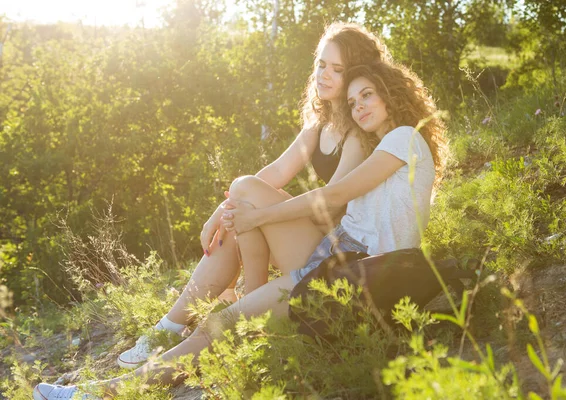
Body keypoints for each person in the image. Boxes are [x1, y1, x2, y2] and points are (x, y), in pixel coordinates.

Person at [34, 59, 448, 399]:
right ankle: (108, 389)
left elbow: (335, 194)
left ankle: (103, 394)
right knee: (241, 222)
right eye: (353, 99)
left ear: (391, 94)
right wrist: (241, 211)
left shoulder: (403, 139)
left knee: (220, 324)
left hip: (352, 273)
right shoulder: (386, 143)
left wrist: (258, 218)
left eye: (367, 95)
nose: (358, 106)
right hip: (335, 260)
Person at [113, 22, 390, 370]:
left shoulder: (356, 134)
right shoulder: (320, 125)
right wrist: (226, 209)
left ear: (355, 74)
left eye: (337, 69)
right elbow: (274, 173)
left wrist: (254, 210)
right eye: (321, 64)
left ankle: (230, 315)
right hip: (307, 242)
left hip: (329, 255)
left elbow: (328, 208)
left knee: (245, 196)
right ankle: (168, 329)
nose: (324, 75)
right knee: (239, 208)